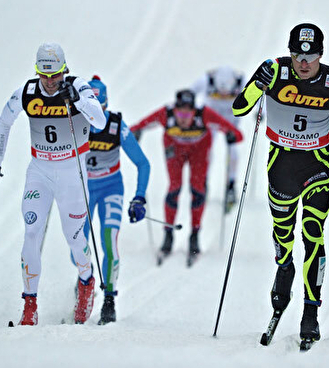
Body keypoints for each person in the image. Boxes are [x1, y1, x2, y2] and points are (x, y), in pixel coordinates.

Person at [232, 23, 329, 344]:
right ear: (291, 52)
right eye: (297, 56)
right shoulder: (274, 71)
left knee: (313, 235)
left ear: (321, 54)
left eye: (311, 56)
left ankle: (310, 310)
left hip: (318, 165)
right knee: (282, 234)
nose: (304, 63)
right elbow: (240, 108)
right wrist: (256, 85)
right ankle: (284, 266)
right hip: (281, 166)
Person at [0, 43, 107, 325]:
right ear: (37, 71)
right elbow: (4, 122)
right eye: (44, 75)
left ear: (64, 70)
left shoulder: (78, 85)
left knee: (73, 236)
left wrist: (79, 101)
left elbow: (99, 119)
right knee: (32, 231)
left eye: (55, 75)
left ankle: (86, 283)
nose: (49, 82)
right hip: (40, 171)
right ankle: (29, 306)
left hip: (72, 170)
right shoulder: (27, 91)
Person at [130, 89, 243, 261]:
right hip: (174, 148)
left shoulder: (204, 113)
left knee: (197, 189)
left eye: (187, 113)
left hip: (199, 149)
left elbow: (237, 133)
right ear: (174, 109)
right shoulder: (165, 114)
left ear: (193, 111)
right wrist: (136, 133)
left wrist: (230, 135)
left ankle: (195, 236)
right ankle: (168, 235)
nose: (183, 117)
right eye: (180, 112)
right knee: (174, 187)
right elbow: (136, 127)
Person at [80, 75, 150, 325]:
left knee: (109, 241)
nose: (95, 115)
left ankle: (109, 299)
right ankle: (84, 283)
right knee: (78, 243)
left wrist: (139, 197)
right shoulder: (75, 124)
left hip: (111, 187)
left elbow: (143, 163)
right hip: (83, 190)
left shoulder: (116, 126)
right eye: (90, 110)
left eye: (101, 109)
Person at [191, 66, 246, 213]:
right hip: (212, 120)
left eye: (226, 93)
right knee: (206, 151)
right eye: (219, 93)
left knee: (233, 153)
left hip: (231, 121)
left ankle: (231, 185)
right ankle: (204, 183)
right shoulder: (206, 80)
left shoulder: (242, 81)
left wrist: (262, 112)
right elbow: (189, 94)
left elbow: (258, 95)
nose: (222, 95)